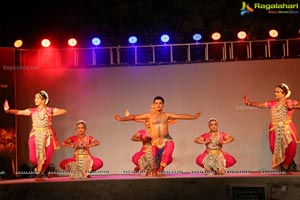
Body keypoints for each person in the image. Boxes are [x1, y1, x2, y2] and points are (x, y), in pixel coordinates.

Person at [114, 96, 201, 175]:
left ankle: (161, 168)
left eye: (160, 103)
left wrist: (194, 117)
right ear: (153, 105)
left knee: (170, 145)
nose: (158, 105)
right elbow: (135, 117)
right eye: (156, 103)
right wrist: (122, 119)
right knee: (153, 164)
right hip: (155, 142)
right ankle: (151, 170)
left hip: (166, 139)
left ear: (163, 105)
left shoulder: (167, 115)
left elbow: (180, 116)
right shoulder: (149, 116)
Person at [3, 90, 67, 178]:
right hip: (35, 134)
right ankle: (41, 168)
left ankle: (40, 172)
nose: (35, 100)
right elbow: (19, 112)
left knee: (47, 158)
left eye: (37, 98)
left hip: (47, 135)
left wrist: (51, 113)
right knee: (33, 159)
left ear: (43, 100)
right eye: (35, 98)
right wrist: (8, 110)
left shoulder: (49, 110)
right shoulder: (32, 110)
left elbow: (64, 111)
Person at [244, 83, 300, 172]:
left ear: (283, 93)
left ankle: (286, 166)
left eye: (277, 92)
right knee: (273, 147)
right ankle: (280, 166)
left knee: (291, 147)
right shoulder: (273, 103)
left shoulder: (290, 102)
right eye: (275, 92)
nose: (275, 93)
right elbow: (262, 105)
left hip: (287, 128)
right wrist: (249, 103)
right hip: (274, 129)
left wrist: (293, 106)